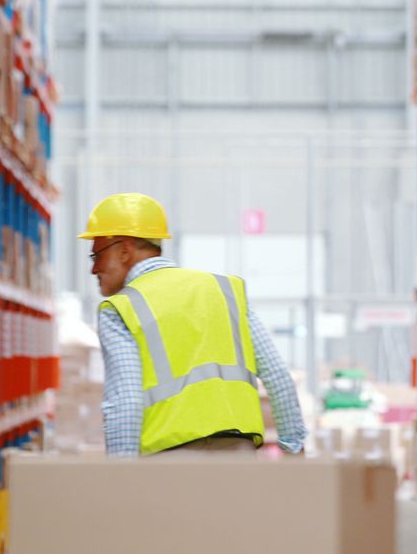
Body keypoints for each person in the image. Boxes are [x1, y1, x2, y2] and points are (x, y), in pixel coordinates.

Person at [79, 192, 307, 456]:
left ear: (125, 251)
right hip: (239, 457)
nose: (94, 270)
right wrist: (294, 447)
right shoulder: (223, 291)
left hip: (168, 464)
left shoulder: (120, 308)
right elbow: (277, 375)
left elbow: (125, 403)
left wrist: (122, 477)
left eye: (96, 256)